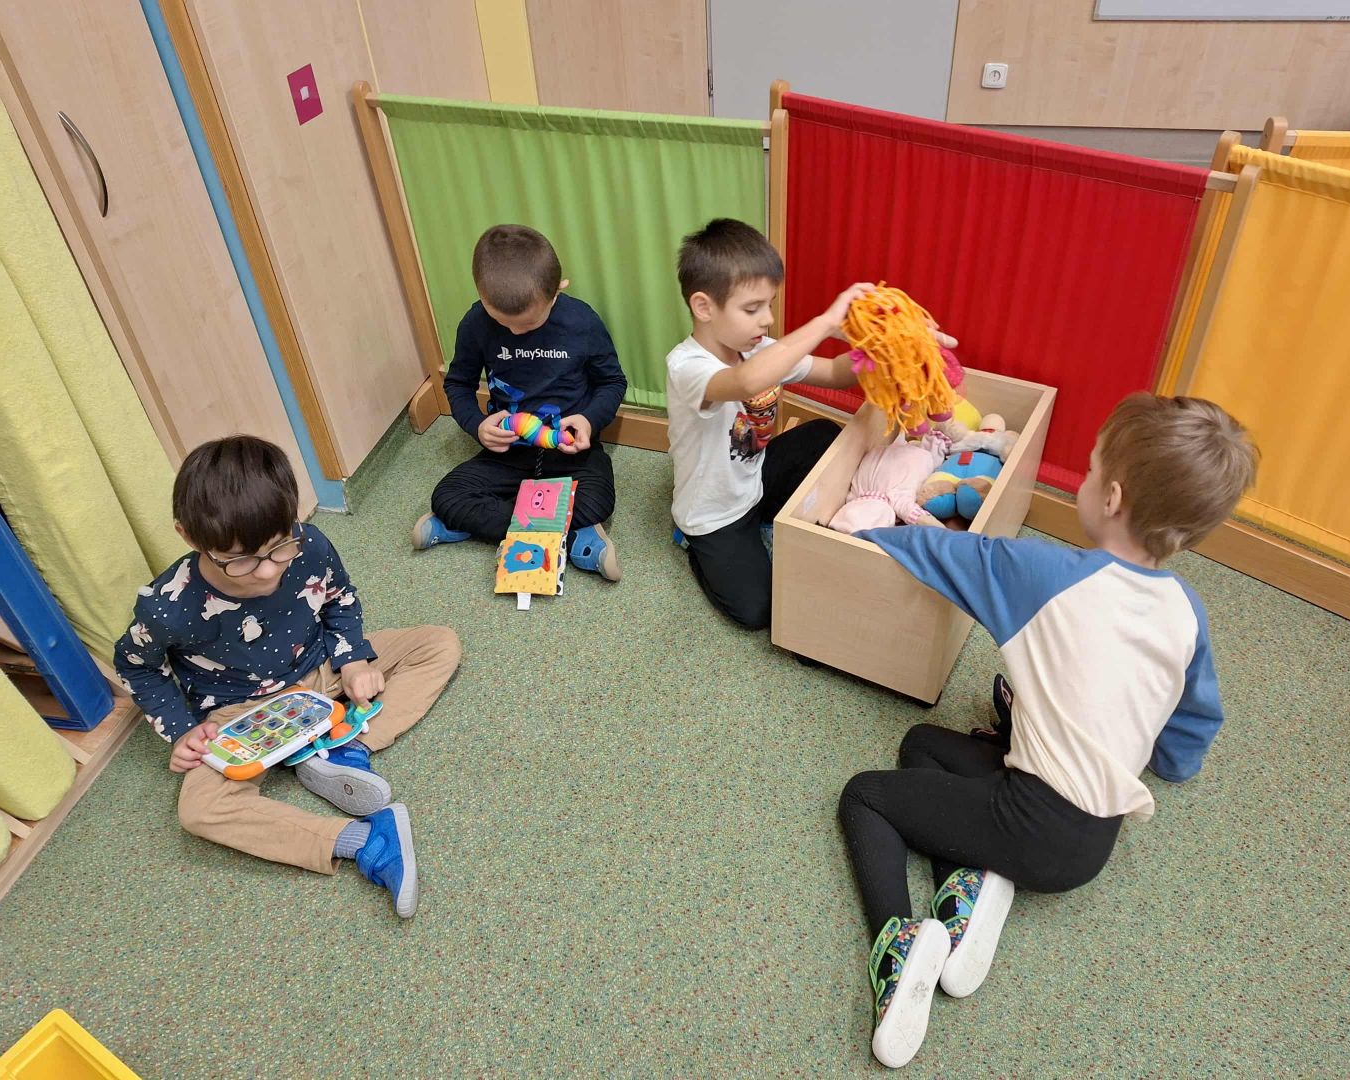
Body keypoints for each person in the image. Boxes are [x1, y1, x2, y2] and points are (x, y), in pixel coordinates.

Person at [839, 393, 1259, 1068]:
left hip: (1030, 823)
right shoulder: (1187, 610)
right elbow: (1195, 717)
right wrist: (1175, 765)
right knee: (922, 744)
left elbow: (944, 553)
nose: (1083, 482)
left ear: (1112, 498)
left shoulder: (1042, 574)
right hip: (1095, 838)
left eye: (1090, 471)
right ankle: (965, 894)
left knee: (866, 795)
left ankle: (896, 942)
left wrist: (861, 534)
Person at [116, 435, 461, 918]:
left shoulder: (309, 544)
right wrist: (182, 731)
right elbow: (136, 666)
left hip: (321, 668)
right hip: (240, 713)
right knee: (199, 810)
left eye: (279, 547)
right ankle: (366, 840)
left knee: (438, 643)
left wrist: (352, 659)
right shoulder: (166, 606)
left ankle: (344, 749)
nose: (266, 572)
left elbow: (340, 598)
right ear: (189, 536)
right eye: (241, 559)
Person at [666, 218, 883, 628]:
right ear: (704, 307)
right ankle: (694, 546)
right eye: (752, 309)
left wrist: (880, 344)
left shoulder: (761, 348)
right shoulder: (686, 366)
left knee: (824, 434)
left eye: (769, 304)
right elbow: (747, 381)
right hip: (714, 515)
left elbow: (835, 374)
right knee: (759, 612)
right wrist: (825, 323)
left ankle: (770, 517)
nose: (767, 318)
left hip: (755, 478)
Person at [414, 224, 627, 581]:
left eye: (528, 324)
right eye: (502, 321)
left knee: (598, 500)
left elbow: (613, 382)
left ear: (557, 290)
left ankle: (471, 526)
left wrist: (589, 420)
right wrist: (477, 426)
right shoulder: (475, 323)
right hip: (507, 454)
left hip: (569, 453)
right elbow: (459, 384)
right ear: (482, 296)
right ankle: (574, 535)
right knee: (447, 496)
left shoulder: (582, 321)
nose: (515, 332)